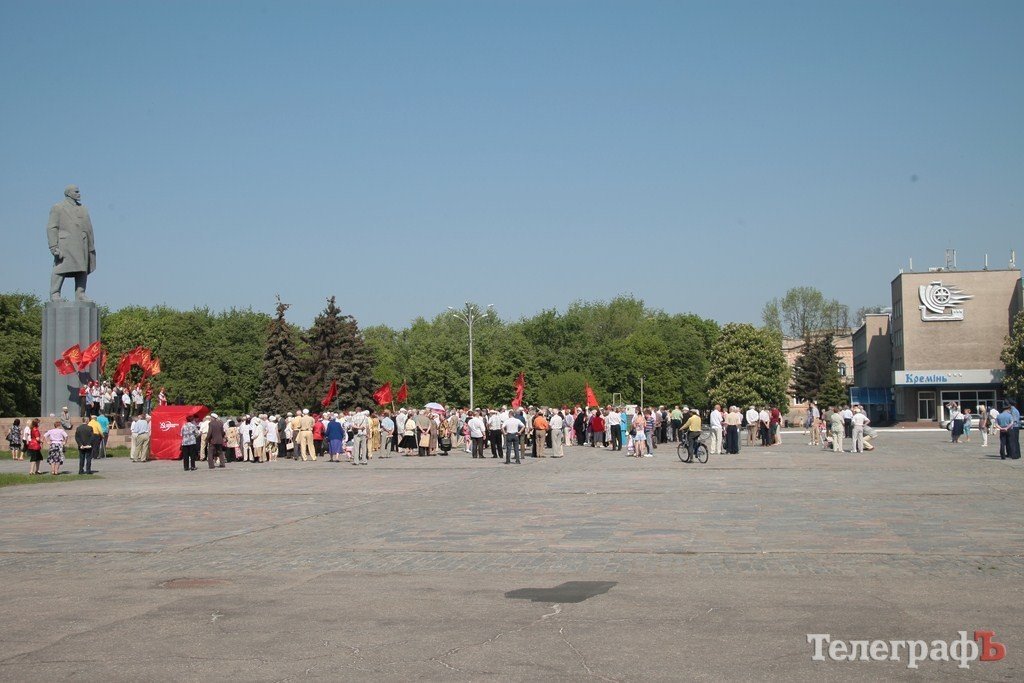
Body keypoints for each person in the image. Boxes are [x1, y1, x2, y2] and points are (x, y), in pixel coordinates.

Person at [47, 184, 96, 301]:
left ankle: (80, 294)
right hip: (66, 245)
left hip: (83, 244)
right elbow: (51, 227)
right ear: (68, 193)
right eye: (76, 191)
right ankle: (55, 294)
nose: (79, 194)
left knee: (82, 269)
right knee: (60, 269)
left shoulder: (83, 208)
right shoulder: (58, 207)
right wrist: (53, 246)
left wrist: (90, 244)